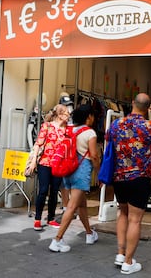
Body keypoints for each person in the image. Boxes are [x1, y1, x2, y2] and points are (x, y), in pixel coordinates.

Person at [107, 93, 151, 274]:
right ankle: (128, 263)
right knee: (135, 220)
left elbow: (109, 141)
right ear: (148, 108)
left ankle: (120, 254)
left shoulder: (116, 124)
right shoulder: (149, 126)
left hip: (119, 177)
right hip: (139, 177)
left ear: (131, 103)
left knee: (122, 213)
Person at [49, 104, 100, 252]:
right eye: (92, 115)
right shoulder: (90, 133)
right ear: (88, 117)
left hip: (68, 170)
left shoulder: (69, 129)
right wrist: (99, 173)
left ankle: (89, 233)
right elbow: (94, 156)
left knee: (81, 204)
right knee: (71, 207)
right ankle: (57, 240)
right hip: (81, 172)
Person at [28, 104, 69, 231]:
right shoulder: (47, 126)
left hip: (59, 164)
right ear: (60, 115)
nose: (69, 115)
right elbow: (38, 143)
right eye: (67, 113)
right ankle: (38, 219)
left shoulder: (66, 129)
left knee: (54, 191)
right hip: (45, 163)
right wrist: (34, 160)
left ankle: (51, 218)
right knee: (43, 190)